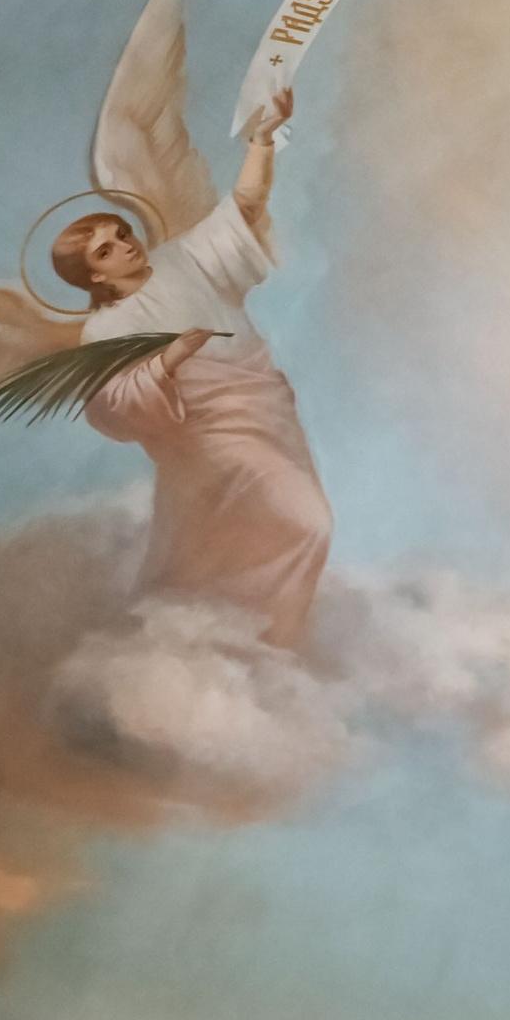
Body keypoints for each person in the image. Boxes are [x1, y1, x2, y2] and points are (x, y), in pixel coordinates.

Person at [61, 87, 332, 646]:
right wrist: (170, 358)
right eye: (105, 251)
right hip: (208, 435)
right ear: (96, 278)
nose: (124, 246)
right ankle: (257, 634)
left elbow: (245, 207)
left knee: (264, 534)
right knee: (309, 522)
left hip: (267, 410)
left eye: (120, 234)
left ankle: (266, 639)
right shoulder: (104, 330)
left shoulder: (182, 258)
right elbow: (110, 408)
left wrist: (261, 140)